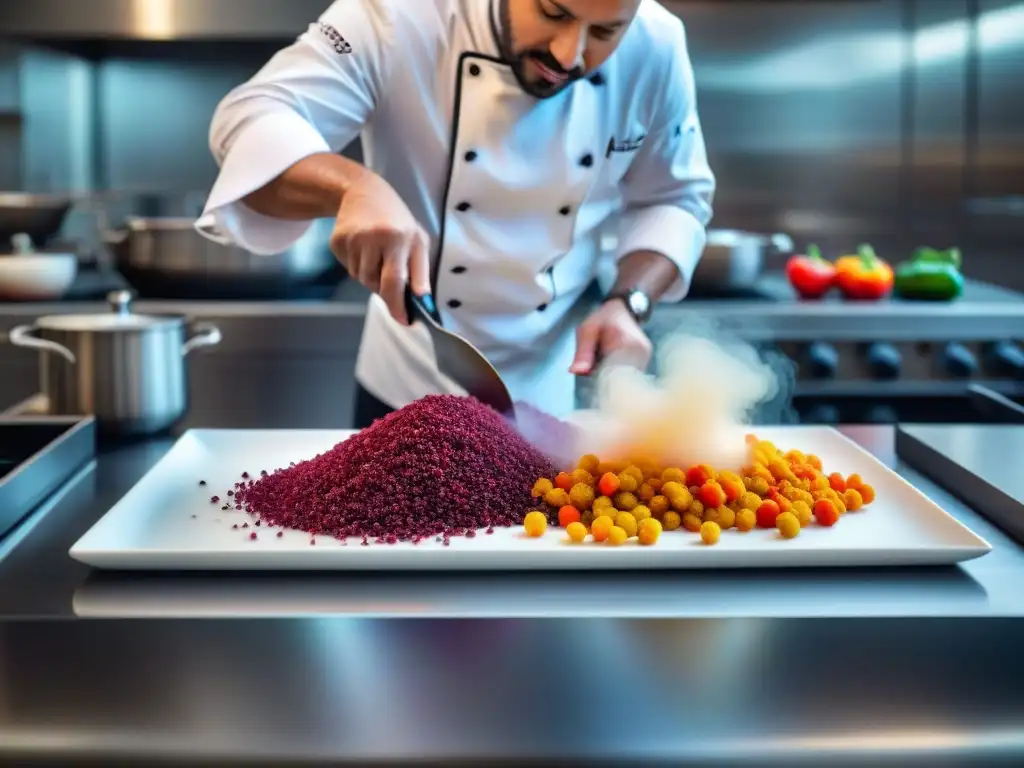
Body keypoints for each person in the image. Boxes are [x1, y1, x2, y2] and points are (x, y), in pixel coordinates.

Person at [196, 0, 715, 427]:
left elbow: (674, 197)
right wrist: (352, 187)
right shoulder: (396, 16)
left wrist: (629, 301)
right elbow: (250, 119)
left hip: (553, 395)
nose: (569, 54)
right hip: (404, 388)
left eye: (605, 31)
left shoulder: (658, 44)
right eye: (553, 13)